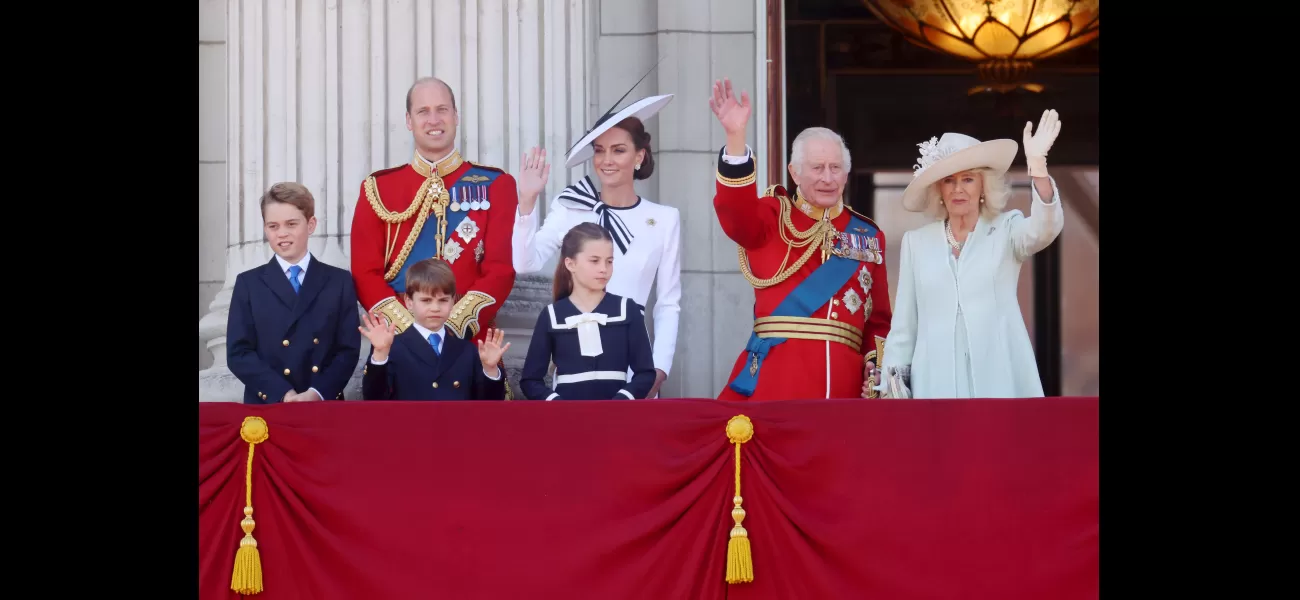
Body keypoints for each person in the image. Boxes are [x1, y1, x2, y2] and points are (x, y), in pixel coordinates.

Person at [708, 78, 892, 401]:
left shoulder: (867, 236)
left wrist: (873, 373)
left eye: (836, 168)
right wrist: (735, 138)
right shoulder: (772, 217)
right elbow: (735, 214)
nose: (827, 177)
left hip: (843, 394)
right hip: (775, 386)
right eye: (817, 167)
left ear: (847, 174)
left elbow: (878, 323)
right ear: (794, 173)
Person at [874, 110, 1065, 399]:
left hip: (998, 379)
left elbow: (1044, 229)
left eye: (968, 179)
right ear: (939, 189)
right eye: (949, 180)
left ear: (983, 187)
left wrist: (1037, 166)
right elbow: (903, 328)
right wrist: (892, 389)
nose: (958, 189)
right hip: (934, 386)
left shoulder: (1006, 230)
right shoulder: (917, 243)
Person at [349, 77, 542, 345]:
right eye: (423, 111)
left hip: (470, 345)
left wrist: (451, 329)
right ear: (409, 120)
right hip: (398, 344)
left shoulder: (496, 185)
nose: (433, 120)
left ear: (455, 116)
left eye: (442, 110)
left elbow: (500, 270)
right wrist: (410, 332)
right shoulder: (377, 188)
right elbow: (365, 272)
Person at [512, 93, 681, 398]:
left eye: (618, 150)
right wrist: (527, 203)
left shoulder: (665, 219)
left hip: (634, 362)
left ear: (639, 156)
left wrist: (658, 369)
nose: (606, 160)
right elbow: (525, 263)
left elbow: (668, 302)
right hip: (575, 359)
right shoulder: (571, 206)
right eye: (600, 150)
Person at [227, 182, 362, 404]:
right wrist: (282, 393)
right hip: (269, 404)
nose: (282, 234)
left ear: (311, 225)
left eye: (291, 224)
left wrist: (317, 393)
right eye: (273, 226)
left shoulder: (339, 281)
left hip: (322, 404)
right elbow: (239, 353)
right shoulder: (248, 284)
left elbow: (347, 350)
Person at [519, 223, 657, 400]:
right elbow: (530, 380)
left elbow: (645, 373)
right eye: (594, 261)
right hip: (569, 421)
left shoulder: (626, 309)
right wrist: (557, 404)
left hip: (617, 420)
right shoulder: (552, 316)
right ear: (570, 263)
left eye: (609, 261)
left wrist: (623, 400)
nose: (603, 269)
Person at [358, 258, 509, 401]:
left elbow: (488, 407)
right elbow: (373, 399)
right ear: (409, 302)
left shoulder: (467, 350)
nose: (435, 308)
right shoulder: (391, 348)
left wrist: (490, 370)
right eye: (426, 300)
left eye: (443, 300)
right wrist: (379, 356)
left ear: (452, 302)